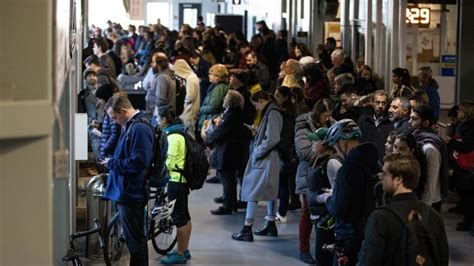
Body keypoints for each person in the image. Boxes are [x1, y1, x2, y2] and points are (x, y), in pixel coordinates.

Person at [358, 153, 449, 266]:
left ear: (398, 180)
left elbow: (368, 261)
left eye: (385, 174)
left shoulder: (380, 218)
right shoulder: (434, 216)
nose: (381, 177)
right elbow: (443, 259)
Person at [103, 94, 153, 265]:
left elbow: (139, 162)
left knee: (135, 240)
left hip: (131, 193)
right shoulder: (131, 126)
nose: (115, 122)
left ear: (123, 111)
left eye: (114, 117)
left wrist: (112, 163)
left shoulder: (139, 129)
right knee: (134, 238)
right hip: (127, 191)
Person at [322, 119, 380, 266]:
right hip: (370, 232)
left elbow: (338, 209)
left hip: (348, 236)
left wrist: (327, 199)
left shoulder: (346, 171)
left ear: (342, 142)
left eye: (336, 146)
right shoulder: (375, 164)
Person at [232, 91, 283, 242]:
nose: (256, 108)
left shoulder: (272, 113)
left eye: (256, 105)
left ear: (261, 100)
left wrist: (257, 152)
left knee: (251, 192)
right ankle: (270, 224)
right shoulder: (273, 111)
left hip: (265, 157)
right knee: (271, 192)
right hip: (269, 157)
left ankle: (247, 229)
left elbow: (272, 138)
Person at [294, 98, 333, 264]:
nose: (327, 118)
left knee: (325, 214)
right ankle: (304, 249)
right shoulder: (303, 126)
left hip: (327, 174)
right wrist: (324, 152)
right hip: (308, 174)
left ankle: (324, 247)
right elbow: (303, 152)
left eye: (329, 115)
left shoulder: (333, 123)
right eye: (325, 115)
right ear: (318, 113)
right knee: (307, 213)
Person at [205, 90, 252, 215]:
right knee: (228, 178)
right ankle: (229, 200)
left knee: (227, 178)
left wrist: (208, 139)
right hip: (233, 149)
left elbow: (220, 131)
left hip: (228, 150)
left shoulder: (231, 115)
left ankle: (228, 205)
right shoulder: (237, 113)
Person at [158, 110, 193, 264]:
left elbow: (170, 162)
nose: (158, 121)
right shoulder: (181, 133)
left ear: (164, 120)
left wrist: (158, 168)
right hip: (183, 180)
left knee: (179, 218)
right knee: (185, 216)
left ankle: (179, 253)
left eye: (159, 119)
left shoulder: (173, 137)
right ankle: (184, 249)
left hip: (175, 180)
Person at [409, 105, 449, 212]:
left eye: (414, 119)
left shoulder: (429, 147)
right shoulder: (416, 139)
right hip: (418, 197)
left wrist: (424, 208)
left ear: (426, 123)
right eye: (410, 118)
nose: (409, 122)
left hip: (429, 201)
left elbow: (431, 181)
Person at [173, 59, 200, 137]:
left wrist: (183, 104)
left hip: (189, 112)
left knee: (190, 136)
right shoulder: (191, 77)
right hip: (190, 112)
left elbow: (190, 96)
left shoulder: (190, 79)